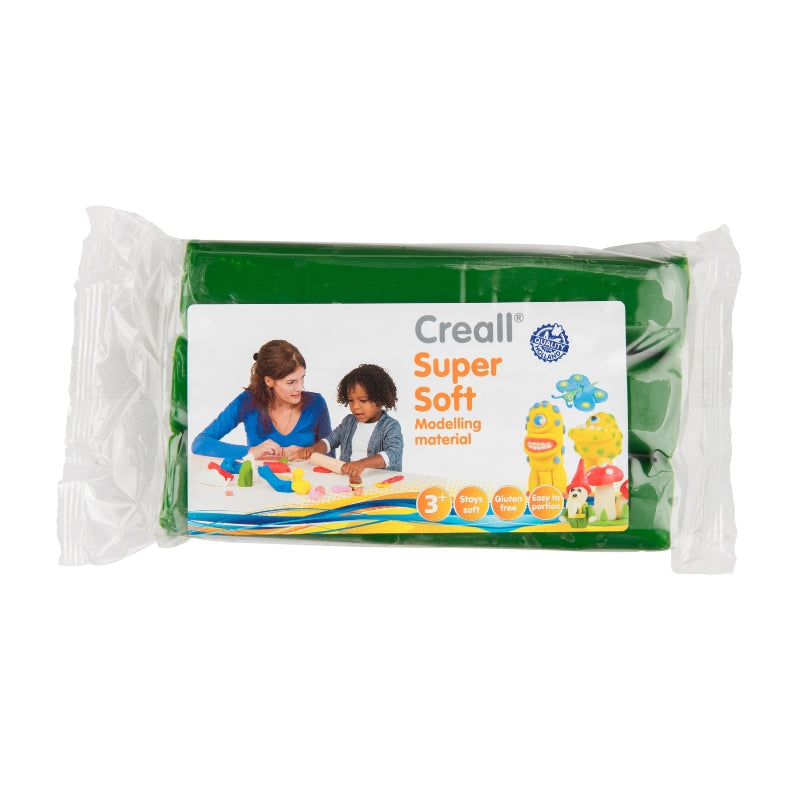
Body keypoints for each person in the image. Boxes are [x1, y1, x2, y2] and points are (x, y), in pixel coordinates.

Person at [191, 340, 332, 461]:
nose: (300, 387)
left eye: (302, 378)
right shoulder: (247, 402)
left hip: (306, 484)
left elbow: (330, 457)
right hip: (259, 483)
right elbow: (200, 443)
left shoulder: (316, 403)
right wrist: (251, 451)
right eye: (291, 382)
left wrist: (307, 453)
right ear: (269, 381)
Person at [292, 363, 403, 481]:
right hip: (348, 480)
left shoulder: (390, 426)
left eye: (363, 400)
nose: (355, 406)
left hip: (381, 483)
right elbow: (331, 440)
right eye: (350, 400)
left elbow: (392, 454)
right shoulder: (348, 422)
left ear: (380, 399)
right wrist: (313, 449)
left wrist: (362, 464)